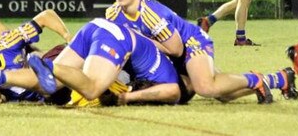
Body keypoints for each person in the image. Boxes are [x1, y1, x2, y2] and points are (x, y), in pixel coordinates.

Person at [105, 0, 298, 104]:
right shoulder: (112, 12)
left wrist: (138, 41)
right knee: (223, 93)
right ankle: (280, 79)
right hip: (173, 50)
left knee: (205, 87)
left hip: (191, 43)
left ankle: (257, 79)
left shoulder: (150, 14)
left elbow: (176, 49)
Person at [27, 18, 184, 106]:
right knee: (92, 88)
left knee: (49, 86)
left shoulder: (157, 57)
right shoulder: (168, 77)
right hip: (115, 40)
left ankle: (2, 77)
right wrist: (128, 97)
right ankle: (50, 65)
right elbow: (174, 92)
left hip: (98, 27)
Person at [0, 0, 73, 105]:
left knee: (12, 41)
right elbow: (7, 93)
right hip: (48, 96)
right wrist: (0, 97)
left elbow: (46, 16)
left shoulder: (7, 43)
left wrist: (69, 38)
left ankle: (42, 64)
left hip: (50, 73)